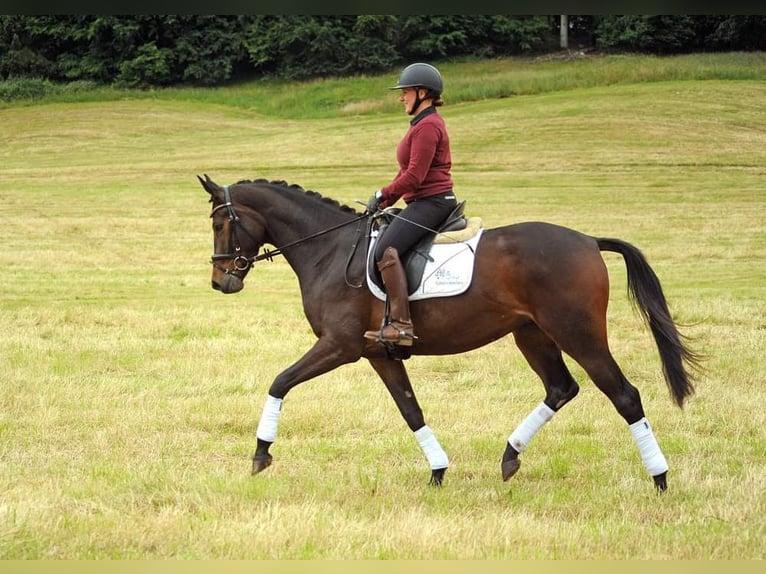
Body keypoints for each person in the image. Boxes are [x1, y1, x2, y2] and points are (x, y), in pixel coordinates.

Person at [364, 62, 458, 347]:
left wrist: (383, 193)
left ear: (423, 93)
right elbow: (407, 173)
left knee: (385, 249)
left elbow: (415, 176)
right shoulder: (421, 125)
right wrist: (386, 199)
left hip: (432, 203)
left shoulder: (428, 126)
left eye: (405, 91)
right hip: (423, 201)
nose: (401, 97)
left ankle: (402, 325)